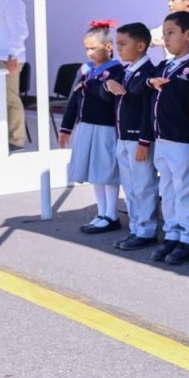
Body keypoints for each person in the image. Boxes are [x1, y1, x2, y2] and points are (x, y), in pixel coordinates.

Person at [140, 11, 189, 266]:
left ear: (188, 34)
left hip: (184, 143)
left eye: (171, 33)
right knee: (168, 189)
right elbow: (145, 91)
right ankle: (173, 234)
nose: (166, 38)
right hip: (163, 140)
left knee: (186, 190)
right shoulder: (163, 66)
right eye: (164, 33)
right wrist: (150, 82)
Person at [59, 21, 125, 235]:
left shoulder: (116, 70)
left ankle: (111, 215)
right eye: (86, 48)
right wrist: (66, 127)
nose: (89, 53)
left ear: (108, 46)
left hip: (106, 127)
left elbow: (108, 96)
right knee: (94, 172)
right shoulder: (85, 70)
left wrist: (92, 85)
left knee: (107, 170)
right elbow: (73, 98)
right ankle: (101, 212)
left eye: (93, 48)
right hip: (86, 125)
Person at [99, 23, 159, 250]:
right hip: (122, 138)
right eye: (118, 44)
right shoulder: (124, 71)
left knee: (143, 185)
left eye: (124, 44)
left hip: (138, 140)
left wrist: (144, 140)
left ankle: (146, 230)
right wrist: (107, 83)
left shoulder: (148, 73)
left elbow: (148, 112)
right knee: (130, 186)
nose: (119, 48)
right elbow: (96, 85)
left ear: (141, 46)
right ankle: (135, 227)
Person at [0, 0, 28, 152]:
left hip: (6, 58)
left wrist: (13, 55)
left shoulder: (12, 1)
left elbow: (20, 31)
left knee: (9, 97)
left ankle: (15, 139)